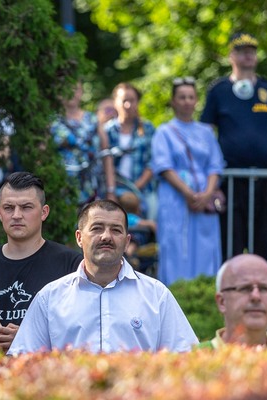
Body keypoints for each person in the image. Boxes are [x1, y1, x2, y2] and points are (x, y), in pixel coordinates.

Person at [7, 200, 197, 354]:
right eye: (97, 228)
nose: (106, 236)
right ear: (79, 238)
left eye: (116, 230)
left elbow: (185, 357)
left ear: (127, 241)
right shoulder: (50, 298)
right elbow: (25, 361)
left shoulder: (156, 295)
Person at [0, 172, 82, 352]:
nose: (17, 215)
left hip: (49, 374)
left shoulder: (73, 264)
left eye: (26, 207)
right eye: (8, 207)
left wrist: (28, 338)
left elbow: (83, 328)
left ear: (44, 212)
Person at [201, 32, 267, 261]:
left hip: (266, 181)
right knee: (230, 245)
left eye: (252, 50)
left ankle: (261, 293)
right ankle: (230, 294)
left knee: (263, 245)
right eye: (242, 51)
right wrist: (210, 182)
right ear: (232, 55)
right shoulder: (218, 90)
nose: (248, 55)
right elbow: (205, 137)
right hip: (230, 181)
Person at [152, 76, 225, 285]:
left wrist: (207, 194)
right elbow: (164, 166)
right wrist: (188, 193)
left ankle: (205, 293)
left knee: (206, 245)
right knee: (176, 245)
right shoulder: (164, 132)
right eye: (181, 97)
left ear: (196, 101)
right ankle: (176, 294)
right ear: (173, 101)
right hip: (175, 197)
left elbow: (215, 165)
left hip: (204, 197)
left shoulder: (206, 132)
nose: (186, 101)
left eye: (190, 97)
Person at [196, 254, 267, 348]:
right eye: (245, 288)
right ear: (222, 302)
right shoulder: (194, 359)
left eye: (264, 288)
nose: (256, 296)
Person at [100, 83, 156, 212]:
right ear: (115, 102)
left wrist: (134, 189)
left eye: (132, 100)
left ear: (138, 102)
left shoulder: (148, 129)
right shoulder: (107, 130)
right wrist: (113, 191)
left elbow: (152, 163)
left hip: (144, 191)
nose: (128, 105)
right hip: (113, 192)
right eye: (124, 100)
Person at [50, 82, 99, 204]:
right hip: (60, 182)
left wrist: (110, 188)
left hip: (89, 182)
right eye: (67, 89)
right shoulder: (51, 120)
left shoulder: (92, 119)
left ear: (81, 92)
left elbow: (105, 151)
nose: (71, 93)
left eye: (75, 89)